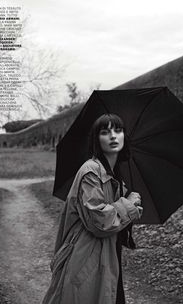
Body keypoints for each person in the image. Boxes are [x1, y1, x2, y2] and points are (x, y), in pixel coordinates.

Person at [42, 113, 143, 304]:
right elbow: (99, 221)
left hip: (106, 252)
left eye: (118, 130)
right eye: (105, 132)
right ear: (97, 140)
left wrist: (127, 202)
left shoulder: (113, 174)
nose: (113, 136)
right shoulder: (91, 171)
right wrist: (128, 204)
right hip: (87, 255)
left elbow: (113, 217)